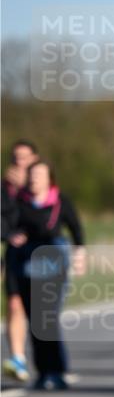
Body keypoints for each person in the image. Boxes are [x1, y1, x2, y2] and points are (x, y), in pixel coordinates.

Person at [8, 160, 84, 390]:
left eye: (39, 175)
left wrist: (81, 252)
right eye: (31, 175)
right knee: (35, 319)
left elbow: (76, 228)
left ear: (49, 178)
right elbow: (6, 223)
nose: (34, 179)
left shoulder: (59, 200)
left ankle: (58, 370)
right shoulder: (18, 202)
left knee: (47, 315)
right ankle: (43, 372)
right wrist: (11, 234)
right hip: (26, 260)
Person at [2, 139, 39, 382]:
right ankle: (18, 358)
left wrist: (27, 187)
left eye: (24, 157)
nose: (19, 162)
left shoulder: (40, 185)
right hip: (14, 253)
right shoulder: (5, 189)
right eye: (16, 157)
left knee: (38, 310)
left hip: (39, 252)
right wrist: (7, 235)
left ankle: (49, 364)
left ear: (34, 158)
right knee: (14, 304)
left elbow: (50, 216)